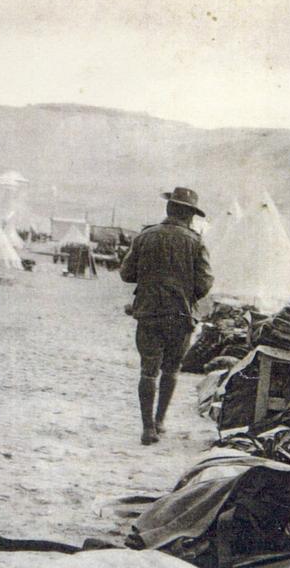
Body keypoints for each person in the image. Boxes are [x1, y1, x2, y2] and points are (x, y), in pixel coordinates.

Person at [119, 186, 213, 445]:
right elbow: (205, 282)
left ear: (169, 209)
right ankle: (160, 421)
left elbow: (126, 274)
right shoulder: (196, 242)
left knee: (148, 371)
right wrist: (185, 292)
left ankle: (147, 428)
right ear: (189, 215)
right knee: (171, 369)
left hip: (149, 313)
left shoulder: (145, 236)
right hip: (181, 316)